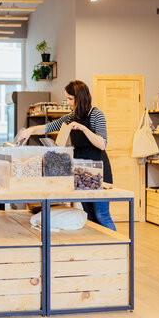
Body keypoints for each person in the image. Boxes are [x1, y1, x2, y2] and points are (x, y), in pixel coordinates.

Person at [19, 80, 116, 231]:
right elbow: (48, 127)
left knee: (101, 214)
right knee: (89, 214)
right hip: (82, 171)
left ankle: (117, 250)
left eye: (70, 99)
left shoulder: (97, 114)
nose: (68, 102)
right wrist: (30, 131)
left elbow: (102, 143)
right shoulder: (70, 117)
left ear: (81, 97)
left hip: (99, 171)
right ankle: (98, 250)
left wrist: (84, 128)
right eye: (67, 98)